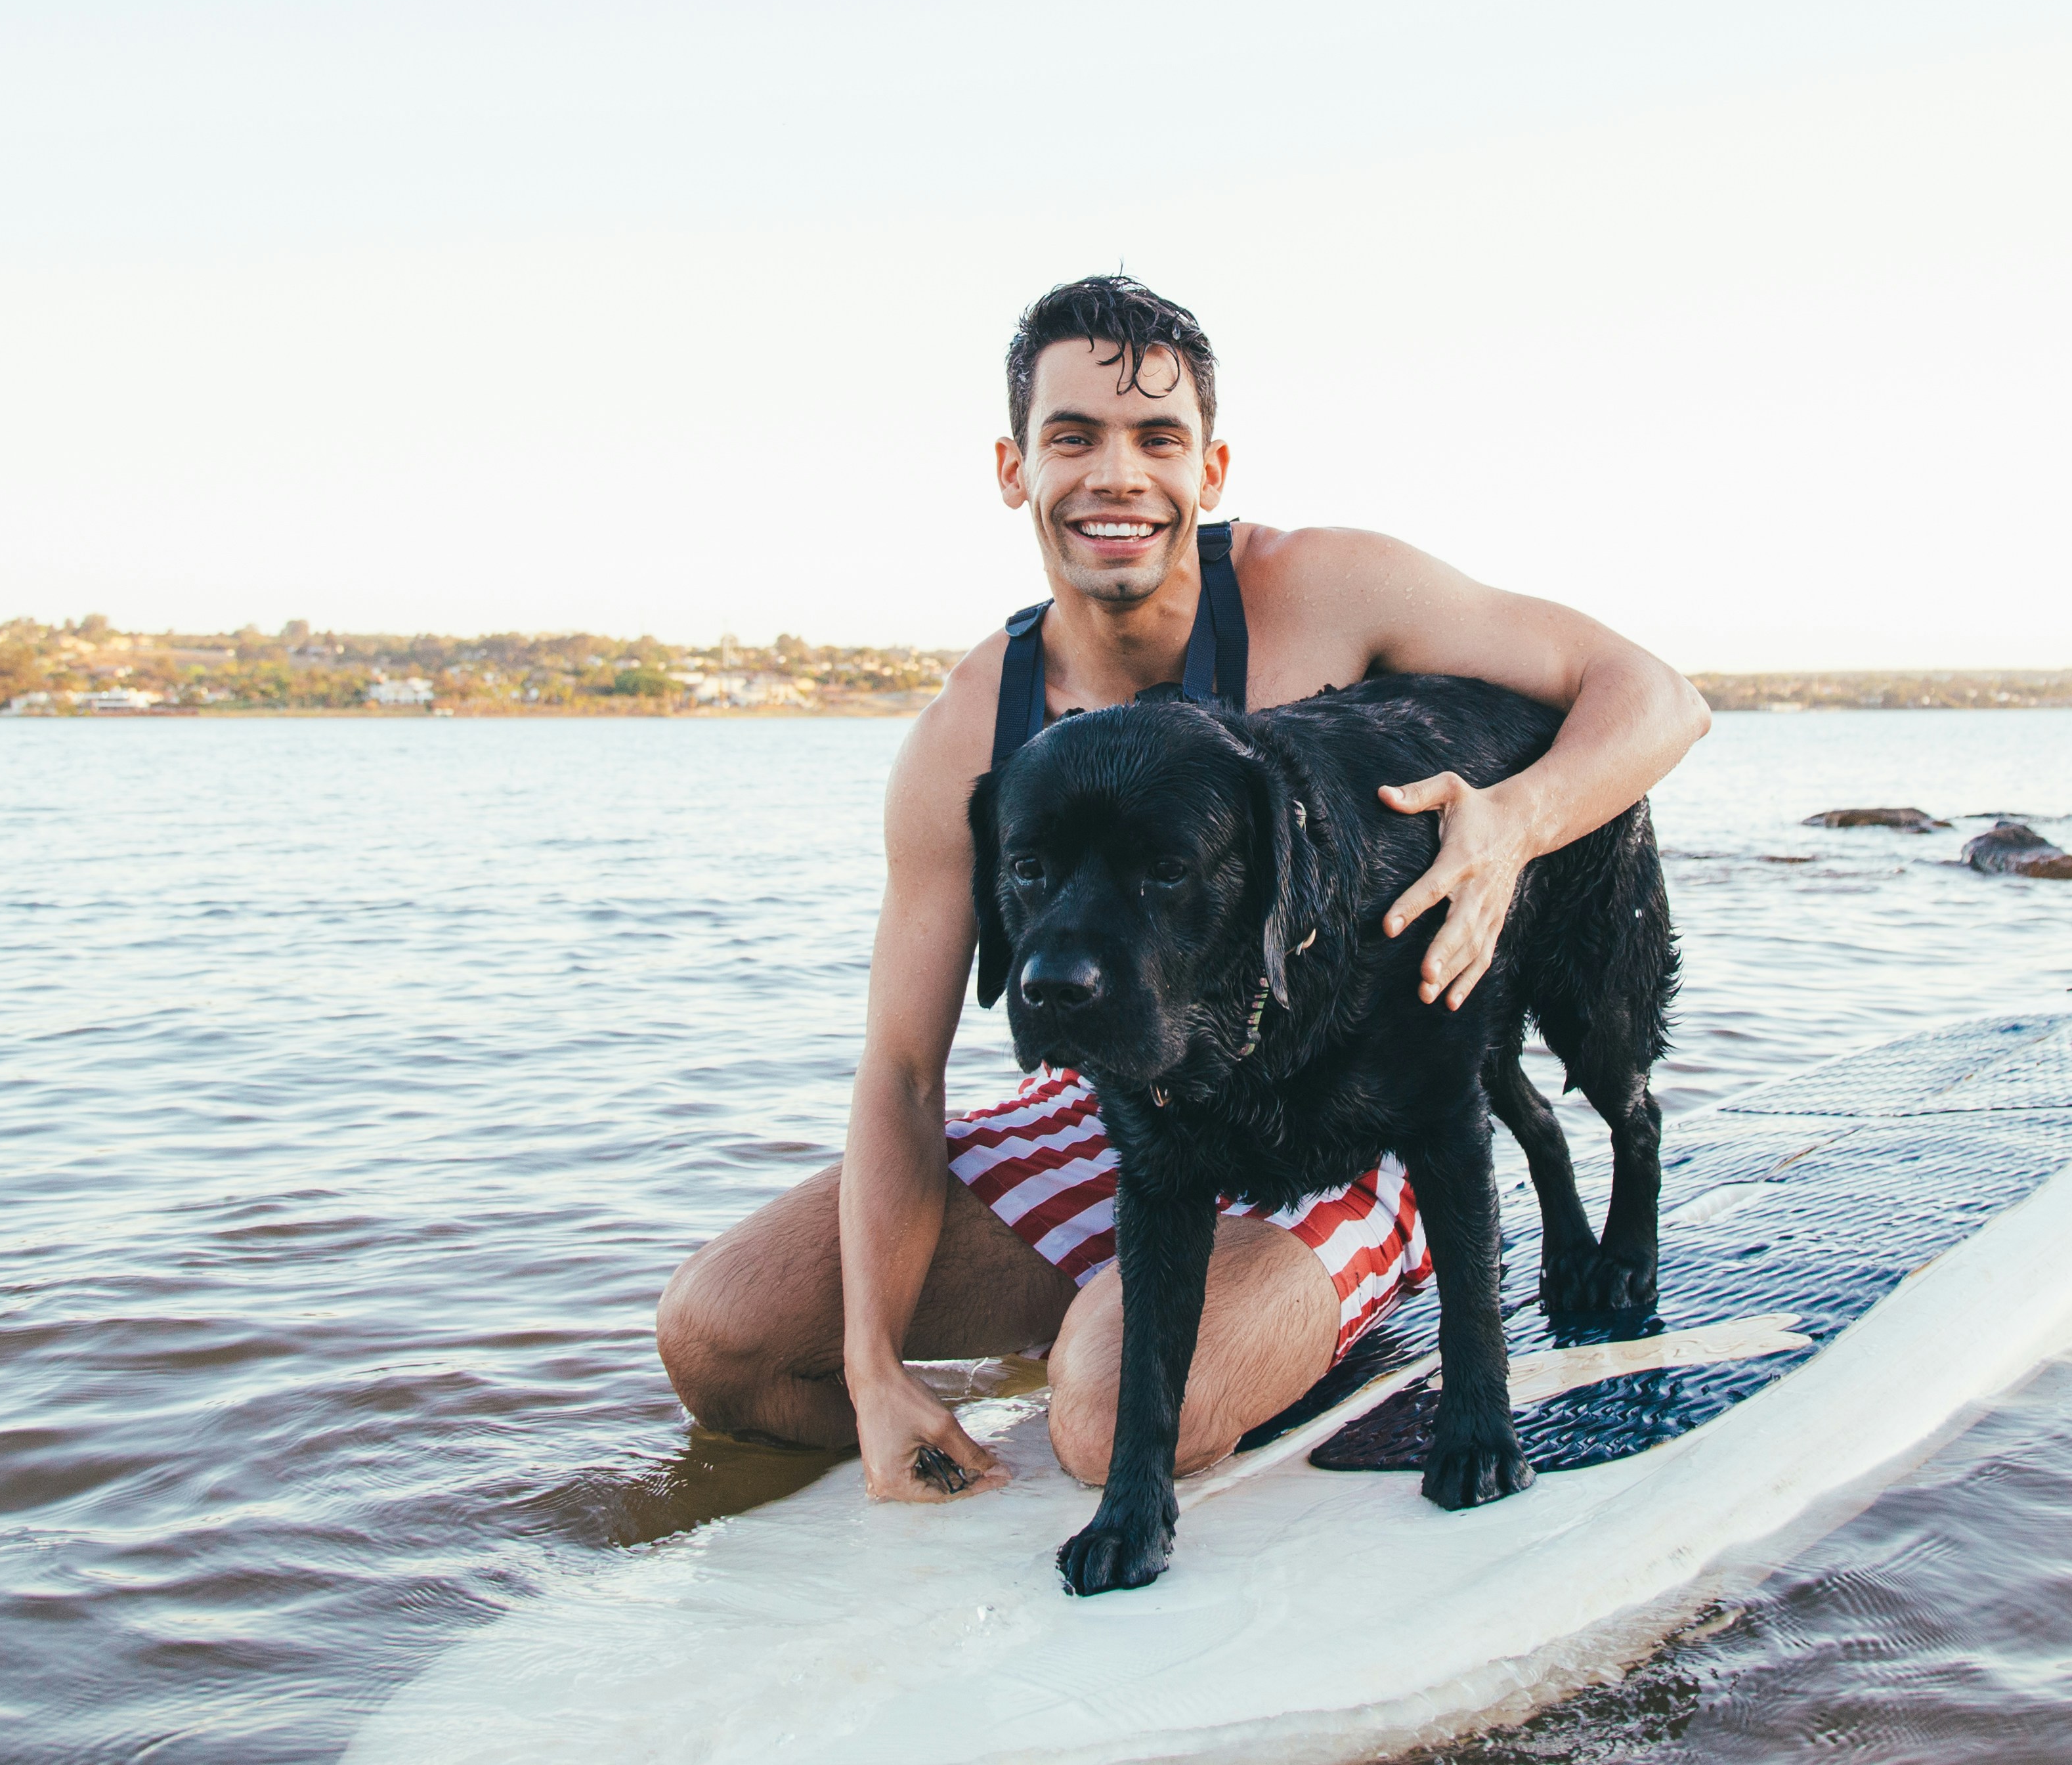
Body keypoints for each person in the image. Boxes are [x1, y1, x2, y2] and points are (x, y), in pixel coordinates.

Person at [657, 276, 1709, 1502]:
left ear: (1210, 472)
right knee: (720, 1337)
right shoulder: (967, 733)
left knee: (1106, 1423)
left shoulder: (1320, 591)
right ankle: (1091, 1341)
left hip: (1351, 1128)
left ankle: (1192, 1334)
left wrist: (1509, 829)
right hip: (1135, 1105)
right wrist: (873, 1364)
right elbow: (902, 1074)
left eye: (1157, 440)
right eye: (1073, 437)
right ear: (1014, 469)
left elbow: (1654, 698)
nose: (1116, 476)